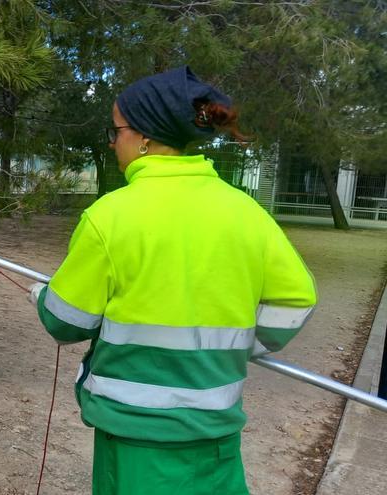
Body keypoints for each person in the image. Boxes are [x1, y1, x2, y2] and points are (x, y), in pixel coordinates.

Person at [28, 66, 318, 495]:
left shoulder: (110, 217)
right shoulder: (246, 212)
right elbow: (297, 301)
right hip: (216, 436)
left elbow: (66, 323)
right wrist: (238, 343)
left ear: (143, 137)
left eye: (116, 131)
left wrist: (42, 295)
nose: (112, 143)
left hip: (137, 439)